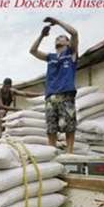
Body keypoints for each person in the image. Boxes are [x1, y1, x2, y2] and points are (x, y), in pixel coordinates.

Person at [29, 17, 79, 154]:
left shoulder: (71, 54)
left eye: (62, 37)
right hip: (50, 97)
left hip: (66, 95)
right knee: (51, 128)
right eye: (57, 38)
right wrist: (42, 36)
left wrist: (57, 22)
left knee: (69, 126)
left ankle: (69, 153)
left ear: (68, 43)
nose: (58, 38)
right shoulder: (50, 57)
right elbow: (32, 51)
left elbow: (74, 33)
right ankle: (51, 153)